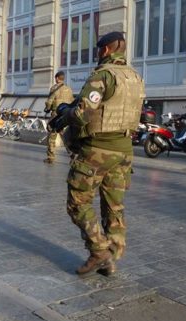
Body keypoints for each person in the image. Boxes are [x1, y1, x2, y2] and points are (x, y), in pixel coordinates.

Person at [51, 31, 145, 277]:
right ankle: (112, 257)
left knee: (78, 202)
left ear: (105, 50)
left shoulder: (102, 76)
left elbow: (83, 113)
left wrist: (65, 112)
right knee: (114, 206)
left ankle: (99, 251)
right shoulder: (135, 77)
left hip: (97, 151)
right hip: (124, 151)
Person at [43, 71, 74, 164]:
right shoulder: (69, 89)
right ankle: (72, 154)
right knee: (65, 135)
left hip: (56, 115)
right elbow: (72, 101)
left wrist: (47, 108)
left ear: (57, 78)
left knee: (52, 135)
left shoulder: (54, 88)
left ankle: (50, 157)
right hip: (66, 114)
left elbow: (49, 102)